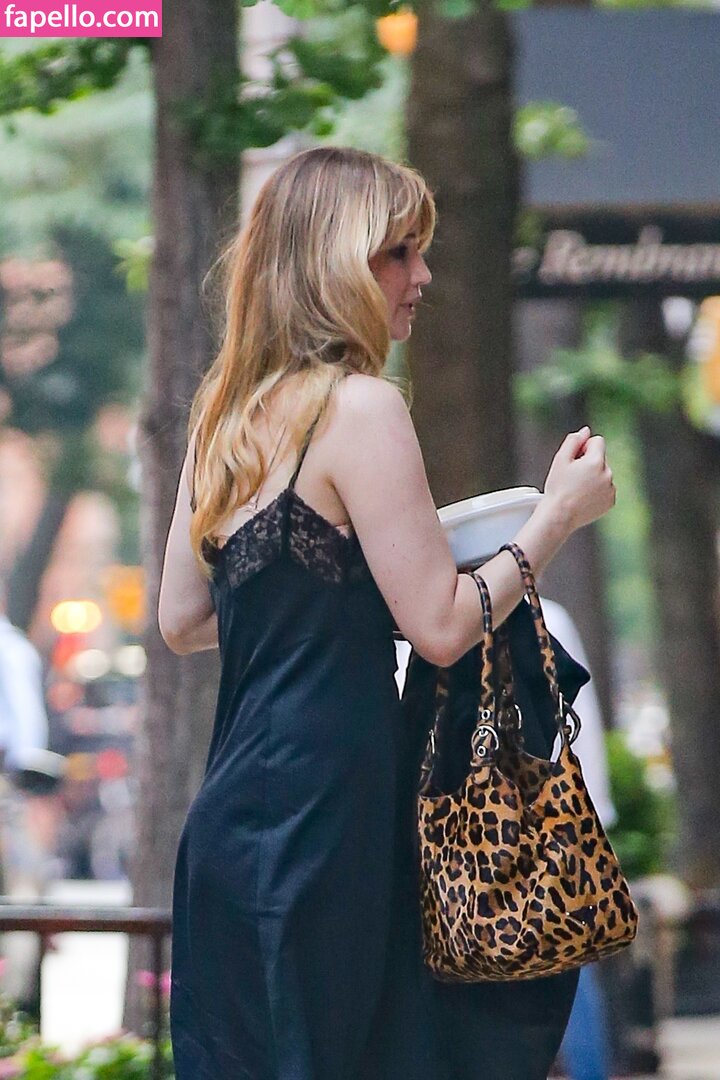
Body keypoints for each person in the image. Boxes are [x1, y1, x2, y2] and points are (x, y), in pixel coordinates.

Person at [158, 145, 615, 1079]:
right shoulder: (361, 409)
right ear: (334, 263)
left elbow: (183, 618)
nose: (423, 276)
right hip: (334, 819)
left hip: (231, 826)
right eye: (398, 252)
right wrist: (556, 518)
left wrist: (342, 590)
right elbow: (442, 628)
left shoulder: (225, 417)